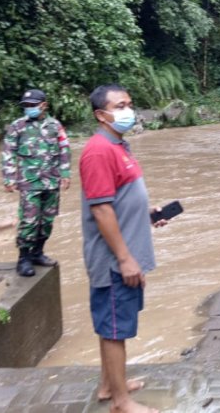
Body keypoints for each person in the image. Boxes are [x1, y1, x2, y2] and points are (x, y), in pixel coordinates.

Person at [79, 84, 166, 413]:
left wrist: (147, 214)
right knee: (115, 328)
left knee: (114, 324)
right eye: (119, 106)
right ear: (101, 115)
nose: (128, 111)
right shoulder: (99, 150)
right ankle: (121, 402)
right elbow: (101, 210)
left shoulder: (119, 145)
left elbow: (118, 200)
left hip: (125, 252)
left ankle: (108, 385)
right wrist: (126, 259)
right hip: (114, 259)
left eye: (130, 103)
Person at [1, 88, 71, 277]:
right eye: (25, 106)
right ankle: (23, 258)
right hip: (29, 182)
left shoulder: (55, 126)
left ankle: (38, 253)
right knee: (29, 221)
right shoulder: (18, 126)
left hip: (51, 181)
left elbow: (64, 149)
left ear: (43, 106)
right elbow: (9, 152)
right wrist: (9, 177)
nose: (28, 109)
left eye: (32, 106)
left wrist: (65, 173)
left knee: (47, 220)